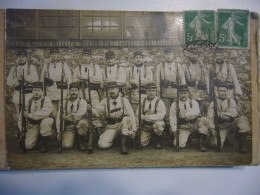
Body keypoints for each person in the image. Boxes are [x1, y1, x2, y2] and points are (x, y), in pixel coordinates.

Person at [95, 81, 137, 155]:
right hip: (111, 126)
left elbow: (131, 115)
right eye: (109, 89)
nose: (111, 91)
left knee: (126, 119)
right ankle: (115, 139)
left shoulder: (124, 100)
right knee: (102, 145)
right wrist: (91, 109)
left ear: (118, 89)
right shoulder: (105, 101)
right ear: (107, 91)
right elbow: (97, 111)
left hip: (122, 125)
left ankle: (124, 144)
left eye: (113, 88)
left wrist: (134, 130)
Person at [207, 83, 251, 153]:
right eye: (220, 91)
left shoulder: (231, 101)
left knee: (243, 119)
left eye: (224, 91)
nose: (222, 93)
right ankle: (225, 138)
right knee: (215, 144)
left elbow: (233, 113)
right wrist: (212, 129)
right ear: (217, 92)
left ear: (227, 92)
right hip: (220, 127)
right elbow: (210, 117)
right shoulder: (213, 103)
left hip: (231, 124)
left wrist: (220, 114)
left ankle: (242, 144)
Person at [169, 84, 210, 151]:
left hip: (193, 124)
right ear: (178, 94)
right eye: (181, 93)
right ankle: (188, 137)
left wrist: (185, 115)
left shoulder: (193, 102)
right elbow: (172, 118)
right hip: (183, 127)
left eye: (185, 93)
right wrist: (174, 130)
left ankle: (201, 143)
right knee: (179, 144)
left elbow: (196, 112)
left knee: (204, 120)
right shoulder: (175, 105)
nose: (183, 95)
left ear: (188, 93)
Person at [18, 82, 54, 152]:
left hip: (44, 122)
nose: (36, 92)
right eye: (35, 90)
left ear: (42, 92)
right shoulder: (28, 100)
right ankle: (37, 137)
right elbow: (21, 117)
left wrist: (30, 115)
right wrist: (23, 130)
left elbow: (45, 113)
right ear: (32, 91)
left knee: (46, 121)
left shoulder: (46, 100)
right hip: (34, 124)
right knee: (27, 146)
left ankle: (44, 144)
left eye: (38, 90)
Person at [56, 82, 90, 150]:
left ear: (78, 91)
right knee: (66, 145)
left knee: (82, 123)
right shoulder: (64, 103)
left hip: (79, 123)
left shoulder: (82, 102)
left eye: (75, 90)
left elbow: (80, 115)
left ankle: (81, 141)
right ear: (69, 91)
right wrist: (59, 131)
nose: (74, 92)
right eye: (72, 90)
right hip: (69, 126)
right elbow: (59, 117)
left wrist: (67, 117)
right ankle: (73, 138)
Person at [40, 48, 72, 117]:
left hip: (62, 92)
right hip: (50, 92)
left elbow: (69, 80)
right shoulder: (46, 66)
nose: (54, 56)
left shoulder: (64, 65)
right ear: (50, 55)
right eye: (52, 54)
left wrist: (69, 93)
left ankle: (60, 127)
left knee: (62, 112)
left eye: (56, 54)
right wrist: (43, 93)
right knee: (53, 112)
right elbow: (42, 81)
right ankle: (54, 126)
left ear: (59, 55)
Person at [155, 47, 186, 118]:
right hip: (165, 93)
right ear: (164, 55)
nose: (168, 56)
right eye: (167, 54)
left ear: (173, 55)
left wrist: (183, 92)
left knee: (176, 112)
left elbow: (182, 80)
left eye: (170, 54)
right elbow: (157, 81)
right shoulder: (160, 66)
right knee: (166, 113)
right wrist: (158, 94)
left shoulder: (178, 65)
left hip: (176, 93)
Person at [7, 49, 39, 115]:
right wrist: (17, 81)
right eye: (19, 57)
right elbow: (8, 82)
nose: (21, 59)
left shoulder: (31, 68)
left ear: (26, 58)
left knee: (28, 112)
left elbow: (35, 79)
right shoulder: (14, 68)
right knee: (19, 113)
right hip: (17, 93)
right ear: (17, 58)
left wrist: (25, 78)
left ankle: (27, 125)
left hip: (28, 93)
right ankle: (20, 125)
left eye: (23, 57)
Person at [136, 82, 166, 149]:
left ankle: (158, 140)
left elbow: (161, 115)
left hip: (156, 123)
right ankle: (151, 137)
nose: (151, 93)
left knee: (158, 125)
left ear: (156, 92)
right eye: (149, 90)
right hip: (146, 126)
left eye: (153, 91)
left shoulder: (159, 102)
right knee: (141, 143)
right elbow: (138, 114)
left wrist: (146, 117)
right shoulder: (142, 101)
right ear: (146, 91)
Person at [182, 49, 210, 116]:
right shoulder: (185, 66)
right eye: (191, 54)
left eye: (195, 54)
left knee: (201, 109)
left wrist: (208, 91)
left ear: (198, 55)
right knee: (192, 108)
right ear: (188, 55)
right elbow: (183, 80)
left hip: (201, 91)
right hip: (191, 91)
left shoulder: (202, 66)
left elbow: (206, 78)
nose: (193, 56)